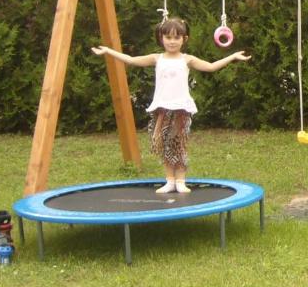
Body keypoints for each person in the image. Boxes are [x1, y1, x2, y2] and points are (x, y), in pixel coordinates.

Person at [92, 17, 250, 194]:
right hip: (162, 109)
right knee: (164, 145)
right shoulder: (157, 58)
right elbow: (130, 59)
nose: (172, 41)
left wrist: (233, 56)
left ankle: (181, 180)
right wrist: (108, 51)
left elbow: (211, 66)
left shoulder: (187, 59)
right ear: (161, 38)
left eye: (176, 38)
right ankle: (170, 180)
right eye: (168, 37)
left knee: (179, 144)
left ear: (184, 39)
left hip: (181, 109)